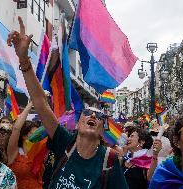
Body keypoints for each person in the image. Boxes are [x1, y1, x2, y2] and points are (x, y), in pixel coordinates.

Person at [7, 16, 128, 189]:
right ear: (77, 124)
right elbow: (40, 101)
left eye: (99, 116)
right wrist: (23, 59)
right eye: (86, 113)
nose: (93, 114)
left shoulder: (109, 160)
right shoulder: (65, 142)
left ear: (102, 131)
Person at [7, 102, 43, 189]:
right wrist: (31, 104)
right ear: (24, 136)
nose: (37, 136)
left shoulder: (40, 153)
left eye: (39, 134)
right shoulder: (14, 154)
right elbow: (16, 129)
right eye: (34, 133)